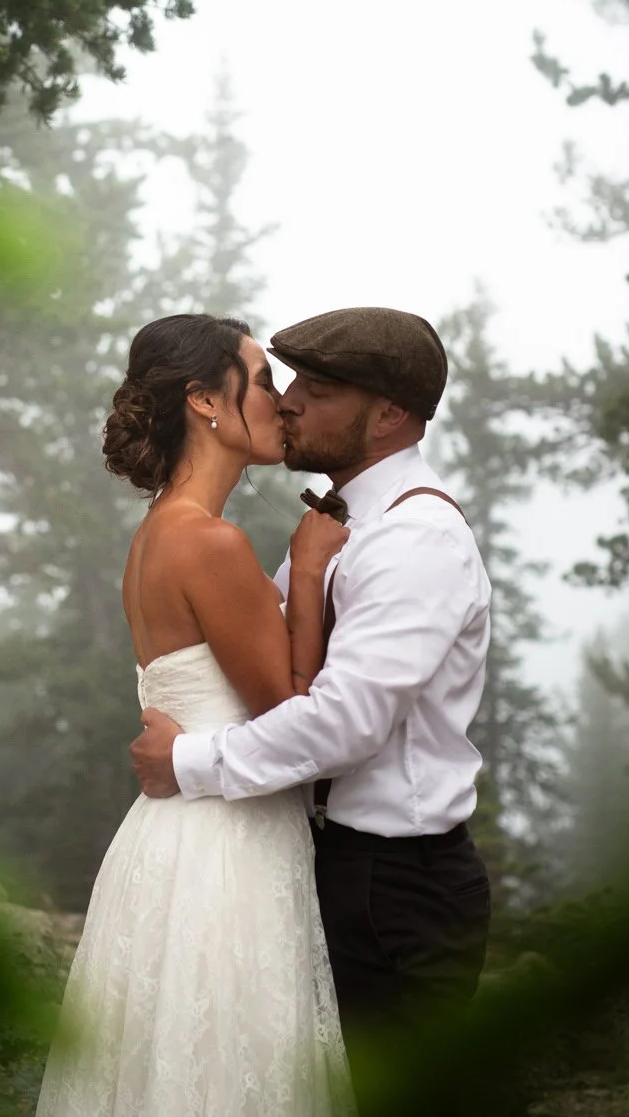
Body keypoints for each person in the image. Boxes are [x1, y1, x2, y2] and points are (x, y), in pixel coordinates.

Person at [131, 306, 494, 1067]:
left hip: (400, 888)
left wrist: (189, 761)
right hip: (325, 866)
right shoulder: (334, 528)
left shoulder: (414, 537)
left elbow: (344, 721)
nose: (289, 400)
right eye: (284, 379)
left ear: (390, 413)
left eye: (318, 389)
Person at [35, 313, 355, 1117]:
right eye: (263, 378)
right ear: (206, 400)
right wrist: (310, 572)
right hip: (225, 849)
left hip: (165, 845)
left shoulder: (154, 536)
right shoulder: (208, 543)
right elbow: (292, 713)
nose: (282, 401)